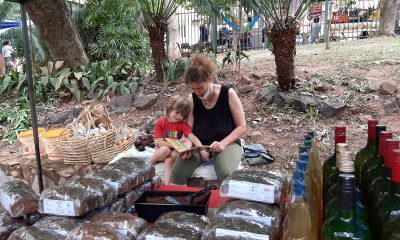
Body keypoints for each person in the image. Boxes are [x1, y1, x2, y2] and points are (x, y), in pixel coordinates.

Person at [171, 54, 247, 185]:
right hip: (200, 144)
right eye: (193, 89)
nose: (197, 93)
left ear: (210, 79)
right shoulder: (192, 99)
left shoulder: (228, 94)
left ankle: (224, 204)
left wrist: (222, 144)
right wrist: (189, 148)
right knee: (177, 172)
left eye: (200, 87)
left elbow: (242, 126)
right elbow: (189, 130)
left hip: (226, 143)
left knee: (226, 173)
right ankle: (183, 203)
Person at [149, 96, 204, 185]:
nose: (179, 116)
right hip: (162, 149)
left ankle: (167, 185)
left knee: (171, 158)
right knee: (165, 150)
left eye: (182, 115)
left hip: (175, 151)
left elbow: (191, 137)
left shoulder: (182, 125)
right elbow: (160, 142)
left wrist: (201, 148)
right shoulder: (160, 123)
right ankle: (148, 163)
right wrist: (176, 145)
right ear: (170, 108)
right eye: (177, 112)